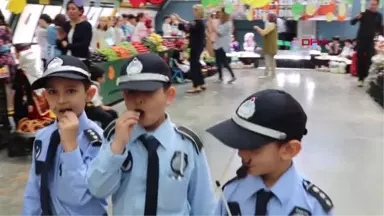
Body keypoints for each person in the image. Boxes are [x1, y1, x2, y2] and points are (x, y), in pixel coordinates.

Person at [87, 53, 216, 216]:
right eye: (130, 92)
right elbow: (97, 189)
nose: (138, 100)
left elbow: (204, 205)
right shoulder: (116, 140)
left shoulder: (187, 146)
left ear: (169, 96)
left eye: (148, 91)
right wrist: (117, 148)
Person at [206, 89, 334, 216]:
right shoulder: (231, 194)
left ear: (289, 150)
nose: (241, 154)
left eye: (254, 147)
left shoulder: (313, 207)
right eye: (240, 144)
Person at [22, 55, 108, 216]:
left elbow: (80, 197)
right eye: (52, 92)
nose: (61, 100)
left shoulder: (98, 141)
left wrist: (71, 147)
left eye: (71, 91)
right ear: (45, 96)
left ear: (89, 94)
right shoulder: (43, 137)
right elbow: (34, 189)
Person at [173, 4, 206, 93]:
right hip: (199, 45)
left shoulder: (197, 23)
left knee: (194, 65)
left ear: (197, 11)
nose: (193, 12)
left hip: (195, 46)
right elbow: (189, 23)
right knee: (197, 64)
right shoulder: (200, 22)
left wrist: (177, 22)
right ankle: (201, 83)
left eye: (194, 11)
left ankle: (196, 86)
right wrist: (180, 19)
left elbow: (187, 27)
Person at [351, 0, 382, 87]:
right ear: (369, 4)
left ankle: (367, 78)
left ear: (377, 5)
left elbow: (379, 28)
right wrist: (356, 18)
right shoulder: (363, 13)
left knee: (370, 59)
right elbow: (352, 23)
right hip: (361, 40)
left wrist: (378, 38)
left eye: (374, 4)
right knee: (360, 59)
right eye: (371, 4)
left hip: (371, 40)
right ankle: (360, 78)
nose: (373, 6)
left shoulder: (379, 16)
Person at [57, 0, 93, 66]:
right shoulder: (65, 25)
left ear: (80, 11)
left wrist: (67, 45)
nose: (70, 11)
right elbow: (59, 42)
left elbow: (84, 45)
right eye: (68, 9)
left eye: (73, 9)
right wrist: (60, 41)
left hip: (80, 59)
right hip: (66, 58)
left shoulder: (86, 25)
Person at [85, 64, 118, 129]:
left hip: (94, 107)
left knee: (113, 113)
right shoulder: (93, 86)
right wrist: (102, 107)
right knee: (107, 117)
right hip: (90, 109)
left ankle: (114, 129)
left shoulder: (95, 85)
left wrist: (102, 107)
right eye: (103, 77)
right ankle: (105, 132)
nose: (104, 79)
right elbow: (94, 102)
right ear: (98, 79)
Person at [214, 7, 236, 84]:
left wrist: (214, 26)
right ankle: (220, 77)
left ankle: (232, 76)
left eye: (221, 12)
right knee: (218, 61)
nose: (219, 14)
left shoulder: (228, 24)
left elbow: (220, 32)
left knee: (224, 62)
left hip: (222, 45)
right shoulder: (222, 22)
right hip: (218, 44)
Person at [254, 13, 278, 78]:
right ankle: (273, 74)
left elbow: (263, 33)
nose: (267, 17)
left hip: (269, 47)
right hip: (272, 46)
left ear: (270, 18)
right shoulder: (274, 25)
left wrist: (257, 28)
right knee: (272, 61)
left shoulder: (271, 25)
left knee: (268, 61)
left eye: (268, 16)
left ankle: (266, 75)